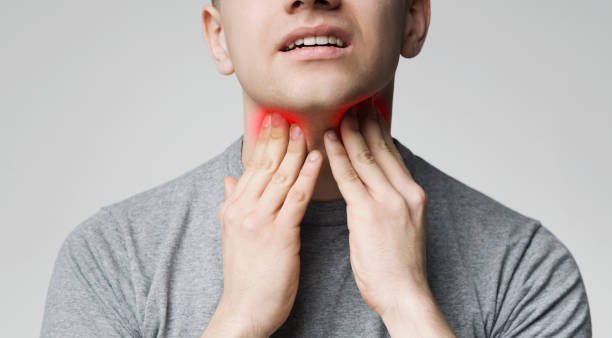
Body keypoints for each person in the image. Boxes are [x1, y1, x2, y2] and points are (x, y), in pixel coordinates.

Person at [40, 0, 592, 337]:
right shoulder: (109, 261)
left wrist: (409, 305)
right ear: (218, 36)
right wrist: (237, 320)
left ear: (414, 18)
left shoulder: (526, 269)